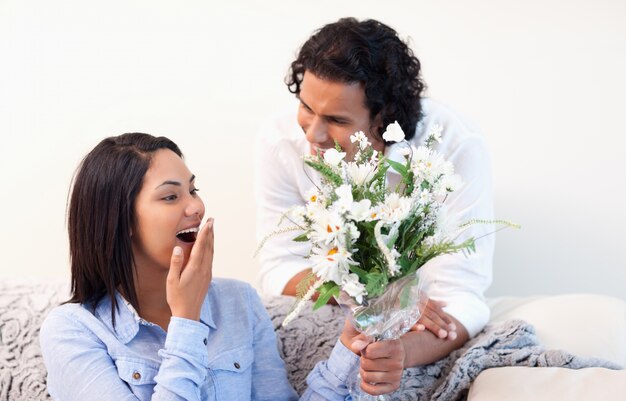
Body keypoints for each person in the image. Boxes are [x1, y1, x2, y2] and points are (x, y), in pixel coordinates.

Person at [40, 133, 406, 400]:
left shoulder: (239, 302)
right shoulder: (73, 331)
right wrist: (186, 319)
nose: (195, 207)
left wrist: (348, 351)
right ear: (120, 221)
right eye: (170, 196)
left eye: (193, 190)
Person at [255, 18, 495, 366]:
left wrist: (399, 356)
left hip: (422, 335)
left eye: (337, 121)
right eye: (307, 108)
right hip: (328, 317)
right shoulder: (279, 141)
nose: (313, 134)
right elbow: (277, 267)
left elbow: (461, 297)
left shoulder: (455, 146)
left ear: (384, 118)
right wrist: (372, 294)